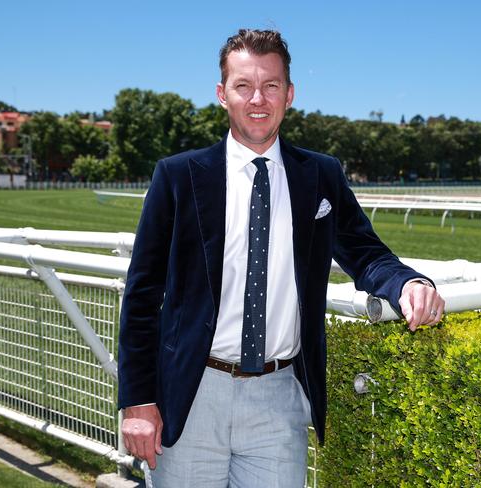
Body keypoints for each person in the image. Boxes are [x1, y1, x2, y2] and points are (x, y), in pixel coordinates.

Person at [118, 28, 445, 488]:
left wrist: (407, 284)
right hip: (191, 395)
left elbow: (366, 253)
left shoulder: (321, 174)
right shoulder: (176, 176)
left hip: (278, 399)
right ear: (222, 93)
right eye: (243, 86)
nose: (258, 99)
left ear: (289, 95)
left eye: (271, 86)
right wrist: (137, 401)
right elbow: (142, 295)